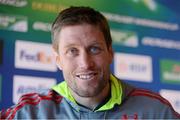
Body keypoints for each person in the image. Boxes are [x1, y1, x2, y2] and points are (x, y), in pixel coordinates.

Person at [0, 6, 180, 119]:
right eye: (72, 51)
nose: (85, 63)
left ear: (110, 53)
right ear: (58, 60)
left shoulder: (156, 111)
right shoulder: (30, 113)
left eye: (94, 49)